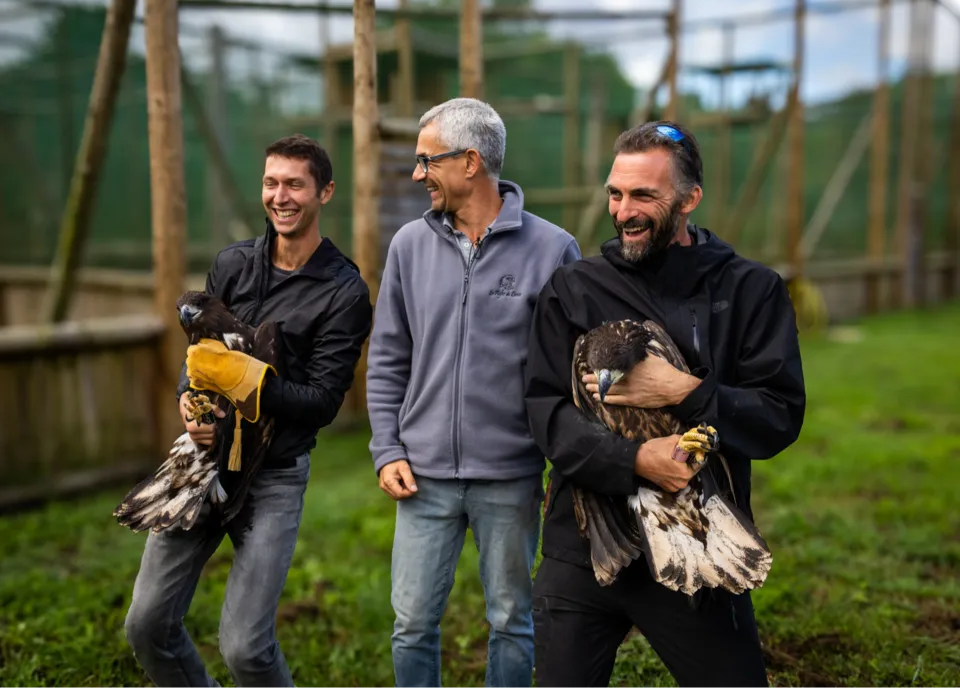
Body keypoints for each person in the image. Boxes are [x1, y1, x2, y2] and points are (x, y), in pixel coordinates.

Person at [523, 120, 806, 688]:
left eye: (644, 196)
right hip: (586, 542)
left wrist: (685, 391)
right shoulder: (574, 289)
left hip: (697, 537)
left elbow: (777, 416)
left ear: (688, 199)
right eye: (615, 193)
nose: (624, 210)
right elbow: (545, 412)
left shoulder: (749, 290)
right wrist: (633, 463)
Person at [124, 133, 373, 687]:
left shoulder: (344, 292)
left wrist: (250, 381)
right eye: (270, 182)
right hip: (204, 462)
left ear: (325, 192)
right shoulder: (232, 266)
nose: (279, 196)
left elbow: (322, 404)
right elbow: (198, 359)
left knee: (246, 649)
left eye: (294, 184)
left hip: (274, 476)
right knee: (146, 625)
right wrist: (192, 401)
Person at [366, 97, 581, 688]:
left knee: (512, 619)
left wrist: (555, 463)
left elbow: (568, 375)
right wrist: (388, 448)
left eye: (424, 161)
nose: (416, 175)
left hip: (510, 475)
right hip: (422, 476)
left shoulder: (554, 250)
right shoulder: (408, 245)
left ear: (469, 161)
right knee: (411, 623)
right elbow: (387, 356)